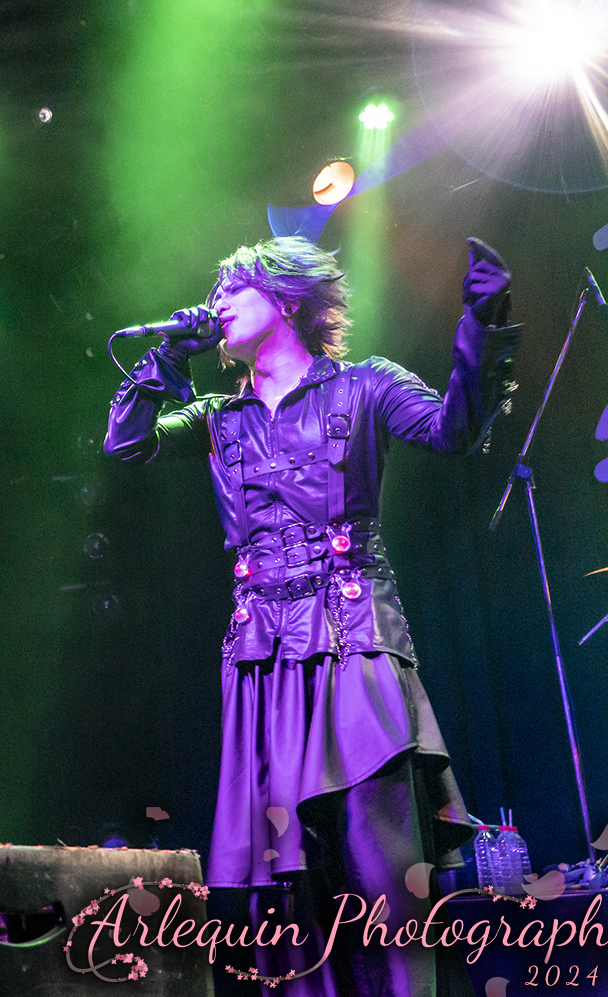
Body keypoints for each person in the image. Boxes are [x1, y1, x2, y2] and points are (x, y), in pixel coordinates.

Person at [104, 237, 519, 995]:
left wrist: (484, 324)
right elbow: (125, 445)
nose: (216, 304)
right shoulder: (217, 417)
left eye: (233, 289)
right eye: (215, 293)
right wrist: (164, 359)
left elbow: (453, 430)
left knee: (382, 867)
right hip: (262, 655)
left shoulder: (366, 384)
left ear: (287, 300)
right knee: (289, 893)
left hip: (354, 637)